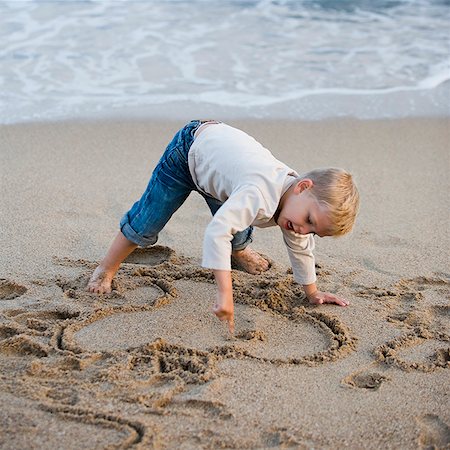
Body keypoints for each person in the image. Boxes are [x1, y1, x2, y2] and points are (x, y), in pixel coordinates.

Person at [87, 120, 360, 334]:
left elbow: (302, 249)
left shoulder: (297, 207)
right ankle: (106, 268)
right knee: (149, 220)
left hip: (223, 172)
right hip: (188, 154)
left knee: (238, 225)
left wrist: (312, 293)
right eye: (309, 221)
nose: (303, 230)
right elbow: (217, 233)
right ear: (302, 187)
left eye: (313, 231)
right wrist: (225, 294)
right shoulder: (259, 194)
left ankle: (239, 250)